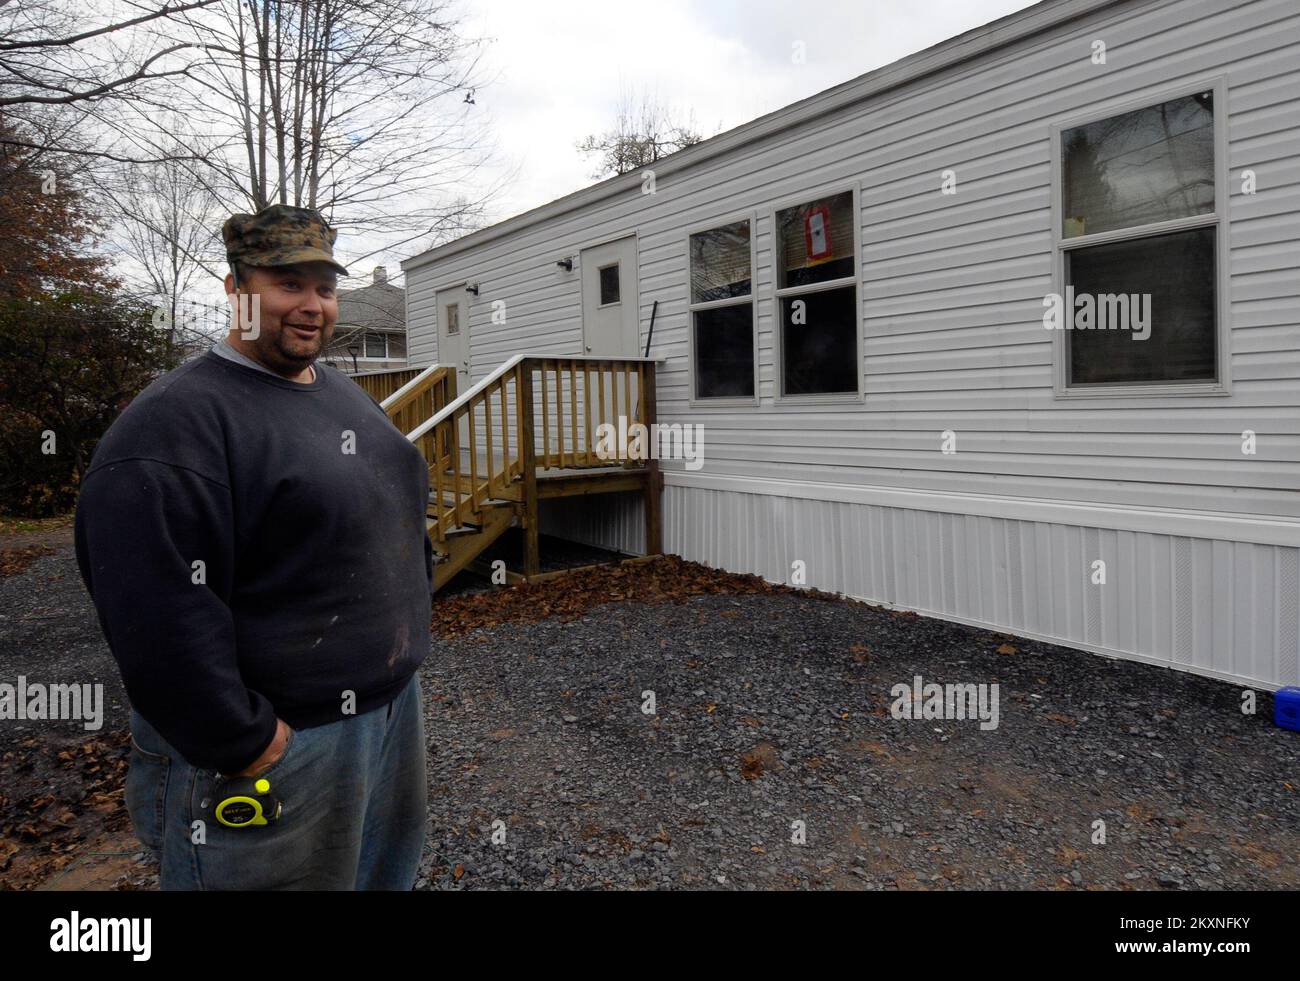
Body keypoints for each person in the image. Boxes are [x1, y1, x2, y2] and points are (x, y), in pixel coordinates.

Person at [74, 204, 434, 890]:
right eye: (287, 284)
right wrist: (244, 740)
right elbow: (154, 612)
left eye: (324, 288)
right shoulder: (175, 425)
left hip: (386, 720)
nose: (312, 306)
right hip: (285, 745)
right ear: (237, 288)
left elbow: (391, 502)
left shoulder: (341, 396)